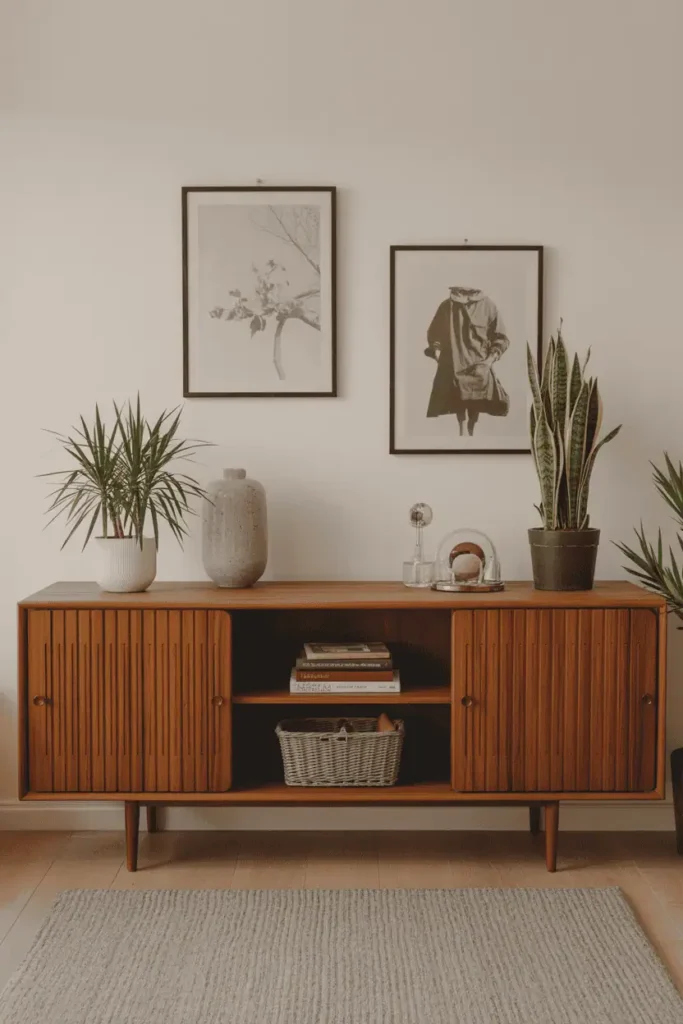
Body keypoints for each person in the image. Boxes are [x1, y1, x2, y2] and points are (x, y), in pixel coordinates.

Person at [424, 286, 510, 436]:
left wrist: (489, 360)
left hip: (479, 365)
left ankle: (471, 430)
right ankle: (462, 431)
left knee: (475, 400)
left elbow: (500, 337)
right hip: (454, 364)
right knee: (458, 399)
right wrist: (437, 352)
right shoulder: (447, 306)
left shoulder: (489, 305)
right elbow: (435, 332)